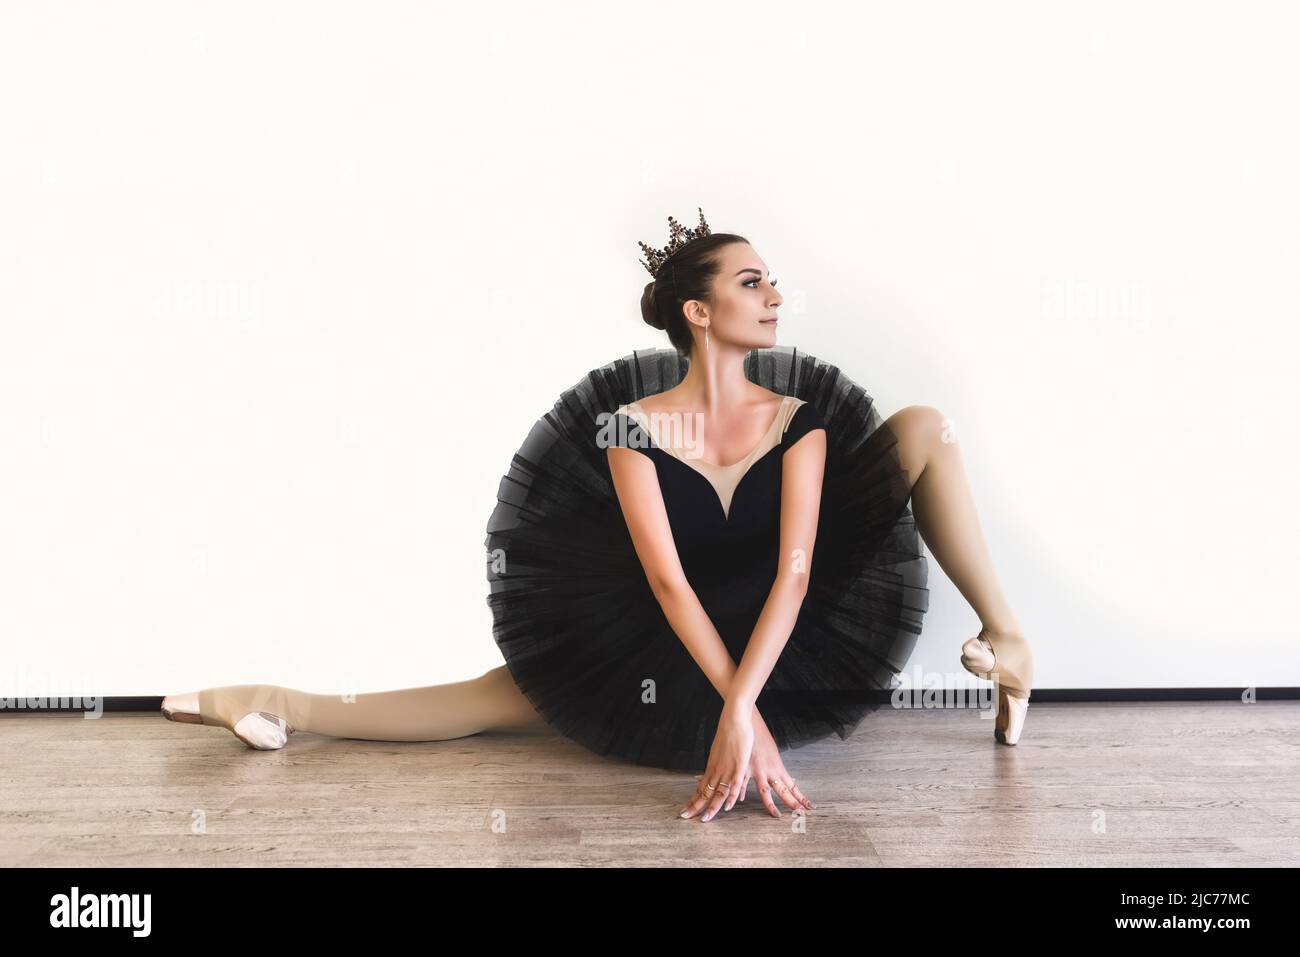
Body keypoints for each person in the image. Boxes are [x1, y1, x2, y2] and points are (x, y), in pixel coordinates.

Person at [163, 208, 1033, 824]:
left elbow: (797, 571)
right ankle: (266, 696)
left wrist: (745, 706)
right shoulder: (629, 427)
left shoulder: (800, 421)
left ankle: (1012, 642)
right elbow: (664, 576)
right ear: (699, 313)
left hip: (777, 634)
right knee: (483, 704)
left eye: (773, 280)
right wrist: (742, 716)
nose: (774, 293)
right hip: (657, 634)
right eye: (750, 280)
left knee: (925, 426)